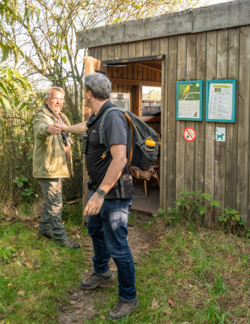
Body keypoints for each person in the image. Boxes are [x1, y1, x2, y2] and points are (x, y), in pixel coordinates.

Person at [61, 73, 138, 320]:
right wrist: (63, 128)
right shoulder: (98, 116)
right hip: (100, 190)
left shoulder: (113, 117)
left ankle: (128, 297)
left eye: (84, 91)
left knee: (118, 245)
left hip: (113, 193)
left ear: (88, 93)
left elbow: (120, 159)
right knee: (95, 230)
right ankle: (102, 272)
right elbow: (84, 127)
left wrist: (100, 194)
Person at [33, 86, 80, 249]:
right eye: (55, 98)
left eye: (61, 99)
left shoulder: (61, 116)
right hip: (49, 167)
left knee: (50, 200)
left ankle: (45, 229)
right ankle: (60, 236)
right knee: (55, 204)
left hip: (59, 166)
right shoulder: (42, 116)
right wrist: (47, 129)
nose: (58, 102)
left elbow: (67, 137)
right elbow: (40, 128)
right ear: (47, 100)